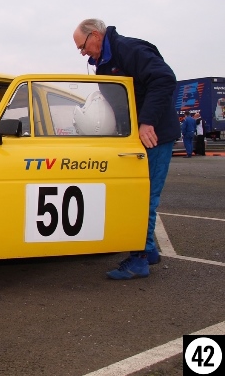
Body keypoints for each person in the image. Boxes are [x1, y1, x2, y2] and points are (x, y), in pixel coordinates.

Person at [73, 19, 179, 280]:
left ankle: (139, 259)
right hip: (135, 138)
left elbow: (164, 78)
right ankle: (149, 249)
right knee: (136, 194)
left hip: (154, 135)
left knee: (143, 197)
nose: (82, 52)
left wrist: (147, 122)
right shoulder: (105, 61)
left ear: (95, 35)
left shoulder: (128, 50)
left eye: (82, 46)